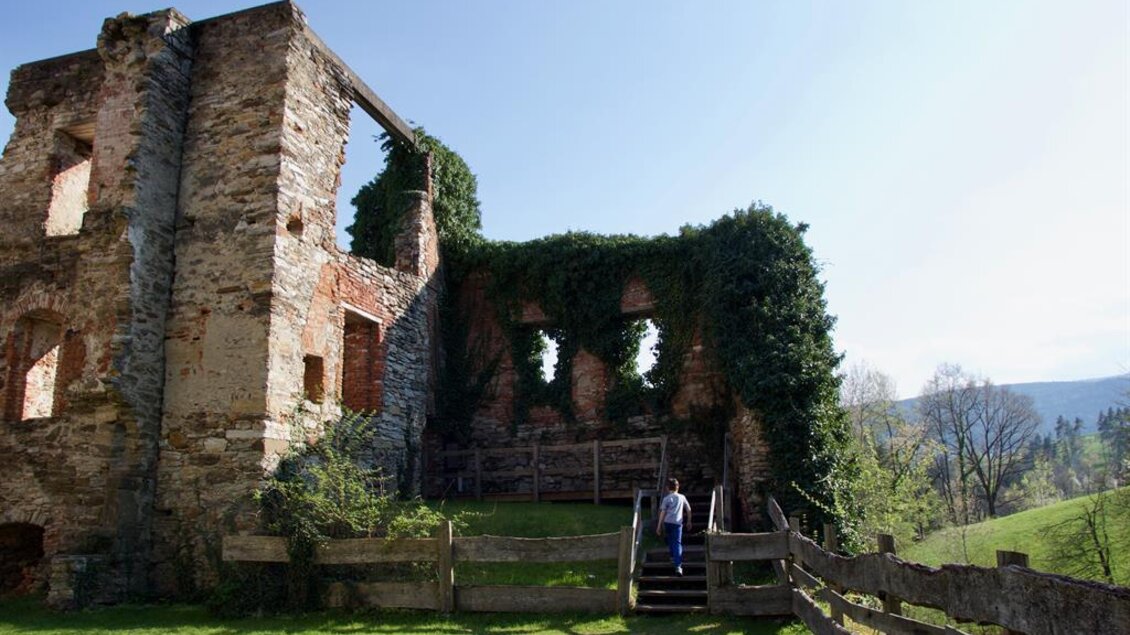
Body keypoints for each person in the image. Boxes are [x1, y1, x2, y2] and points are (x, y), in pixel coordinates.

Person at [656, 477, 692, 576]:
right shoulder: (682, 497)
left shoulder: (666, 499)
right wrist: (689, 521)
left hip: (667, 522)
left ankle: (673, 558)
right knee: (677, 543)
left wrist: (659, 526)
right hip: (677, 523)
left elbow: (663, 513)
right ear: (678, 487)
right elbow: (688, 509)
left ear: (667, 488)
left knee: (670, 540)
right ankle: (678, 566)